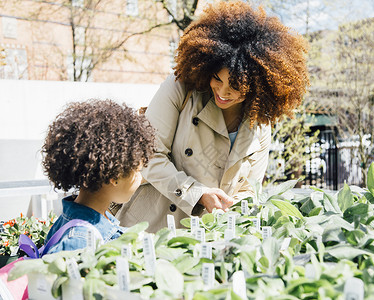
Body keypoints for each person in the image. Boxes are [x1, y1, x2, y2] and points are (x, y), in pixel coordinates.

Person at [116, 1, 309, 232]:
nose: (223, 91)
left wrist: (231, 212)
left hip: (210, 236)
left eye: (236, 86)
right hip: (152, 226)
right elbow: (149, 156)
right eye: (217, 78)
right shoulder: (181, 88)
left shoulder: (259, 122)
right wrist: (197, 193)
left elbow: (250, 189)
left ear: (258, 85)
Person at [42, 100, 156, 253]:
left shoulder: (74, 222)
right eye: (137, 171)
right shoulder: (80, 242)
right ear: (114, 175)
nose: (140, 178)